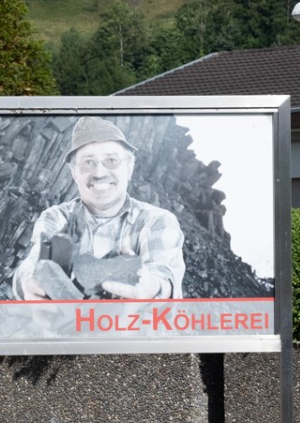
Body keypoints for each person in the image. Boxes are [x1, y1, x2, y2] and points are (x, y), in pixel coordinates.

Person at [12, 116, 185, 300]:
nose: (100, 173)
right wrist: (28, 281)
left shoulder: (157, 220)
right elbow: (34, 261)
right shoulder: (56, 217)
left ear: (129, 167)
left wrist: (153, 286)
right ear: (74, 172)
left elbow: (163, 274)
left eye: (111, 161)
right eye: (88, 162)